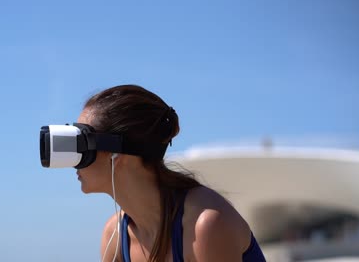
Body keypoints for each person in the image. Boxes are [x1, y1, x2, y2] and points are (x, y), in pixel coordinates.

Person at [76, 85, 266, 262]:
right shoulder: (116, 234)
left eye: (83, 144)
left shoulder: (204, 226)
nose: (74, 159)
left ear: (115, 153)